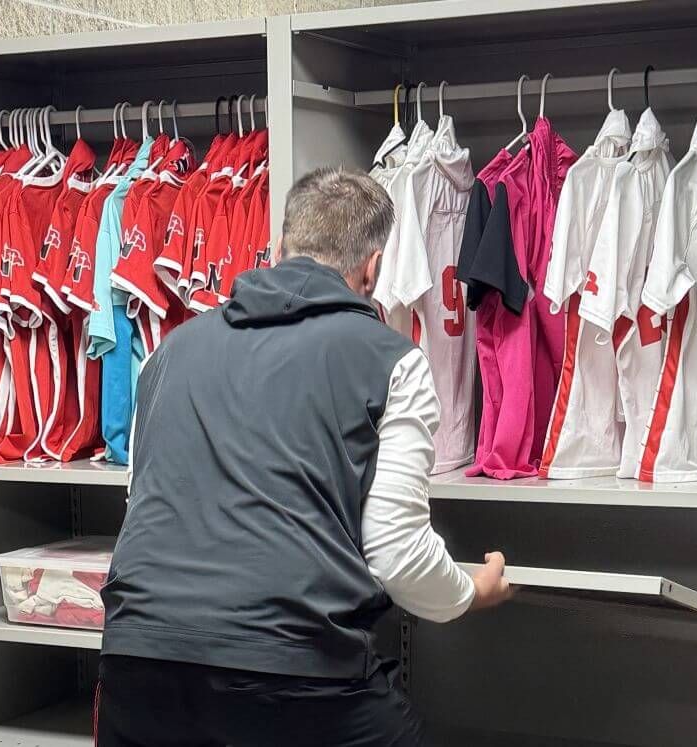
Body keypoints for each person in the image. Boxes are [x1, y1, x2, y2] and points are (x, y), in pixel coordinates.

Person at [97, 167, 513, 746]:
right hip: (294, 671)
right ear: (372, 267)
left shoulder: (169, 351)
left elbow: (143, 504)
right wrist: (470, 592)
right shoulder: (391, 360)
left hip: (137, 663)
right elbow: (396, 552)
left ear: (277, 248)